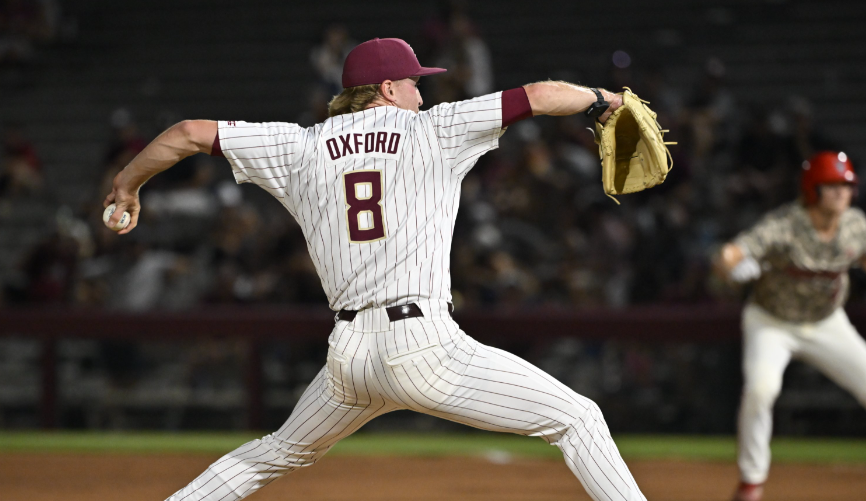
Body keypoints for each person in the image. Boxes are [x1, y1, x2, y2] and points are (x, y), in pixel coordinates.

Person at [104, 37, 647, 501]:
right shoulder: (434, 129)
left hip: (349, 360)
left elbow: (186, 133)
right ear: (388, 89)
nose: (422, 91)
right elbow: (540, 96)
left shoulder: (298, 145)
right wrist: (604, 98)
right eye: (414, 82)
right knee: (578, 419)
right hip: (423, 347)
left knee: (275, 453)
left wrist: (127, 185)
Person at [716, 151, 866, 501]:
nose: (842, 193)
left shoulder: (856, 226)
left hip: (827, 321)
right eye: (832, 186)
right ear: (812, 189)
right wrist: (733, 267)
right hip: (772, 322)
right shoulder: (784, 225)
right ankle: (751, 482)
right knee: (761, 389)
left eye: (847, 186)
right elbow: (728, 254)